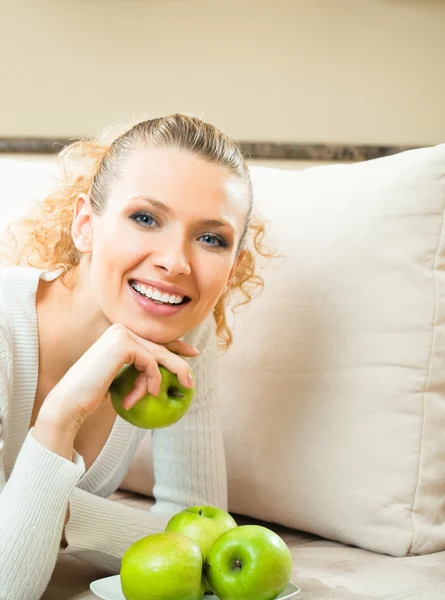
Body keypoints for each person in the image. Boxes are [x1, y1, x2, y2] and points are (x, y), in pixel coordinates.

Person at [0, 114, 273, 599]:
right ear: (85, 225)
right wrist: (62, 415)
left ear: (232, 267)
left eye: (211, 238)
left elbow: (199, 535)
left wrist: (56, 510)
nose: (176, 262)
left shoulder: (182, 329)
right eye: (145, 218)